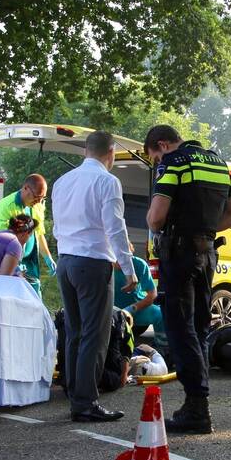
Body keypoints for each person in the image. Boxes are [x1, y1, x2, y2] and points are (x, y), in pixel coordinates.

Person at [144, 124, 231, 434]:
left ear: (162, 145)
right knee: (200, 326)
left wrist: (174, 226)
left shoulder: (173, 162)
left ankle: (197, 406)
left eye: (153, 157)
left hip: (181, 252)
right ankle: (199, 402)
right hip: (208, 253)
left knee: (179, 326)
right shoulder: (217, 162)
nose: (156, 162)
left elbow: (156, 218)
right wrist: (207, 228)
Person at [52, 131, 137, 423]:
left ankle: (76, 394)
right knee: (94, 334)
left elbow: (55, 227)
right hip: (92, 262)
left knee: (74, 332)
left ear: (85, 151)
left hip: (66, 260)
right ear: (110, 152)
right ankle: (86, 402)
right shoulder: (107, 181)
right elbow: (115, 228)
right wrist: (128, 268)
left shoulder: (62, 182)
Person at [0, 174, 55, 295]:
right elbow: (1, 243)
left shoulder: (37, 205)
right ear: (25, 188)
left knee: (35, 298)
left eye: (42, 198)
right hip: (11, 260)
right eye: (36, 197)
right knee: (15, 299)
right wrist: (15, 265)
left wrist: (48, 257)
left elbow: (39, 234)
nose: (39, 202)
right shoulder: (5, 208)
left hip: (30, 262)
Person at [113, 242, 168, 353]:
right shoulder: (103, 266)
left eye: (124, 257)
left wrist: (131, 309)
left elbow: (152, 295)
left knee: (160, 314)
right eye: (116, 257)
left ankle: (163, 348)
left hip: (137, 309)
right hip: (113, 311)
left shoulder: (139, 264)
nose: (120, 262)